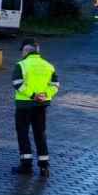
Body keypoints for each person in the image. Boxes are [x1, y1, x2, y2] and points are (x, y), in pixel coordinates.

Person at [12, 38, 60, 177]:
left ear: (26, 50)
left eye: (22, 51)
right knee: (40, 134)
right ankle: (44, 167)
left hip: (24, 106)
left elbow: (17, 84)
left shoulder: (21, 65)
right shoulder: (48, 65)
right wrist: (45, 95)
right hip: (41, 106)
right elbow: (55, 85)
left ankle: (26, 165)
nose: (21, 54)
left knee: (23, 133)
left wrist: (33, 96)